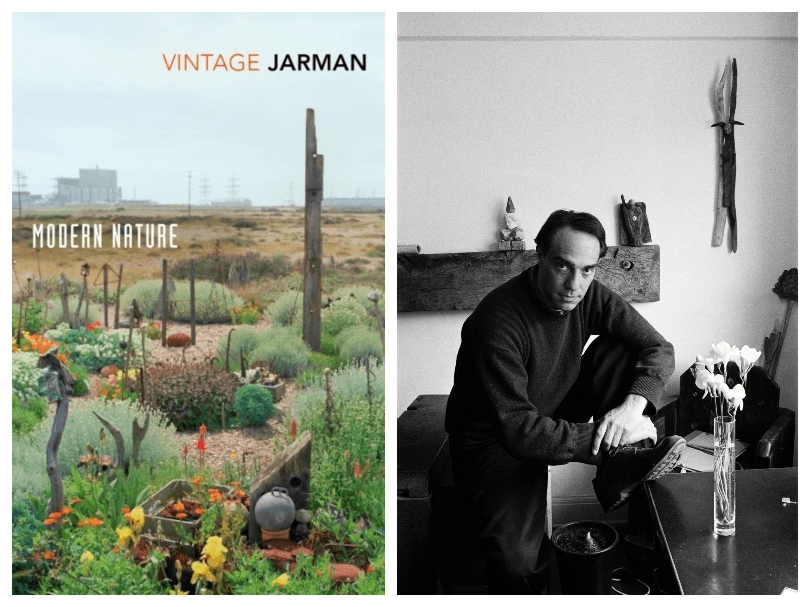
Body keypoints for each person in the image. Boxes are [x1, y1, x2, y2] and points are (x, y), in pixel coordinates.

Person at [444, 209, 685, 594]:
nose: (575, 284)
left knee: (622, 349)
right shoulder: (496, 321)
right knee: (517, 564)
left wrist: (632, 407)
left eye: (588, 270)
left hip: (552, 409)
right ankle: (617, 453)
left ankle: (621, 465)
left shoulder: (587, 294)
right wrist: (602, 439)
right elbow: (520, 433)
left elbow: (658, 347)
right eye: (562, 266)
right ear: (539, 254)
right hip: (495, 441)